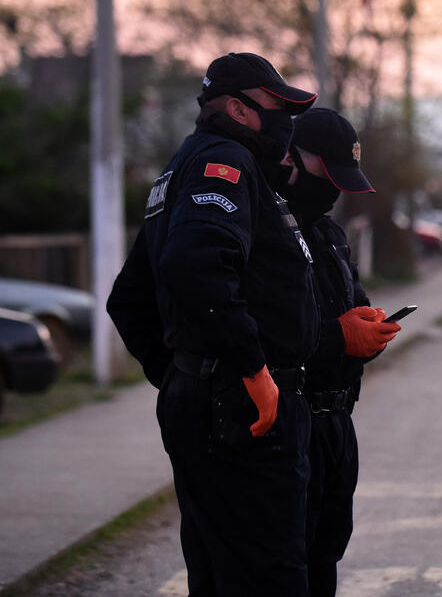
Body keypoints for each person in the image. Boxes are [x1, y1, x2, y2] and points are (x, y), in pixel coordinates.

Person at [107, 52, 322, 597]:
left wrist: (187, 375)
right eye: (277, 109)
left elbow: (129, 299)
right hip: (244, 414)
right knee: (270, 580)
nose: (285, 124)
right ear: (237, 108)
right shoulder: (223, 163)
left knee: (221, 578)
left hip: (217, 403)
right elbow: (192, 266)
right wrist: (246, 371)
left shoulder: (183, 166)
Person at [279, 107, 401, 595]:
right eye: (326, 174)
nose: (332, 191)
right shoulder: (267, 232)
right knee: (288, 562)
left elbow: (356, 304)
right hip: (293, 423)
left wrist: (370, 331)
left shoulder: (329, 235)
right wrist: (338, 338)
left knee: (326, 553)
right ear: (290, 159)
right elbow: (267, 333)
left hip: (336, 425)